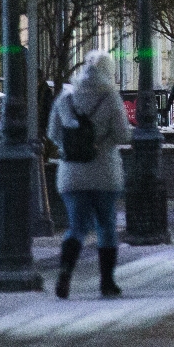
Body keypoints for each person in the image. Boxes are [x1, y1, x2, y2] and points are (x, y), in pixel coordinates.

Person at [51, 51, 133, 299]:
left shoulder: (65, 98)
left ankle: (65, 271)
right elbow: (123, 135)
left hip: (72, 174)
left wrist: (72, 145)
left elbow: (53, 133)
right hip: (104, 172)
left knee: (76, 227)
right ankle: (107, 282)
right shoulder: (110, 98)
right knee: (106, 226)